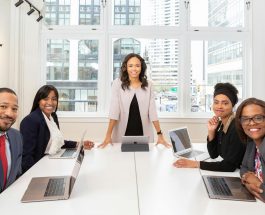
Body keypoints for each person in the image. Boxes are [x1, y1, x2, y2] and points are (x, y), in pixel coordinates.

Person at [99, 53, 171, 148]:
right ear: (126, 67)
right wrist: (108, 135)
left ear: (141, 67)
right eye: (130, 66)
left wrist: (160, 135)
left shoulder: (148, 85)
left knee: (145, 161)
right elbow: (114, 110)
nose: (134, 69)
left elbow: (152, 111)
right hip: (122, 133)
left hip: (143, 133)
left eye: (137, 65)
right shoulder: (117, 83)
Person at [20, 85, 94, 173]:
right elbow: (27, 157)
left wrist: (79, 144)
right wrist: (33, 175)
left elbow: (57, 141)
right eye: (45, 99)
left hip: (50, 161)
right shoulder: (30, 120)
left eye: (54, 99)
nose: (50, 102)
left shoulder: (53, 116)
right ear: (38, 101)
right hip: (39, 167)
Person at [173, 83, 245, 171]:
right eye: (216, 102)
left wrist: (196, 164)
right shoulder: (222, 124)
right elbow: (213, 154)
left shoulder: (236, 127)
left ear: (232, 105)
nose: (219, 106)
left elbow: (229, 166)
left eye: (225, 103)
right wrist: (211, 131)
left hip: (240, 175)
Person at [235, 97, 265, 202]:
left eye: (258, 118)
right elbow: (244, 168)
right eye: (245, 119)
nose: (251, 123)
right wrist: (248, 184)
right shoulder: (252, 141)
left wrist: (257, 184)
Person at [0, 88, 23, 193]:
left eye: (14, 109)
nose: (10, 114)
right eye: (3, 106)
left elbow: (17, 174)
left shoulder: (17, 137)